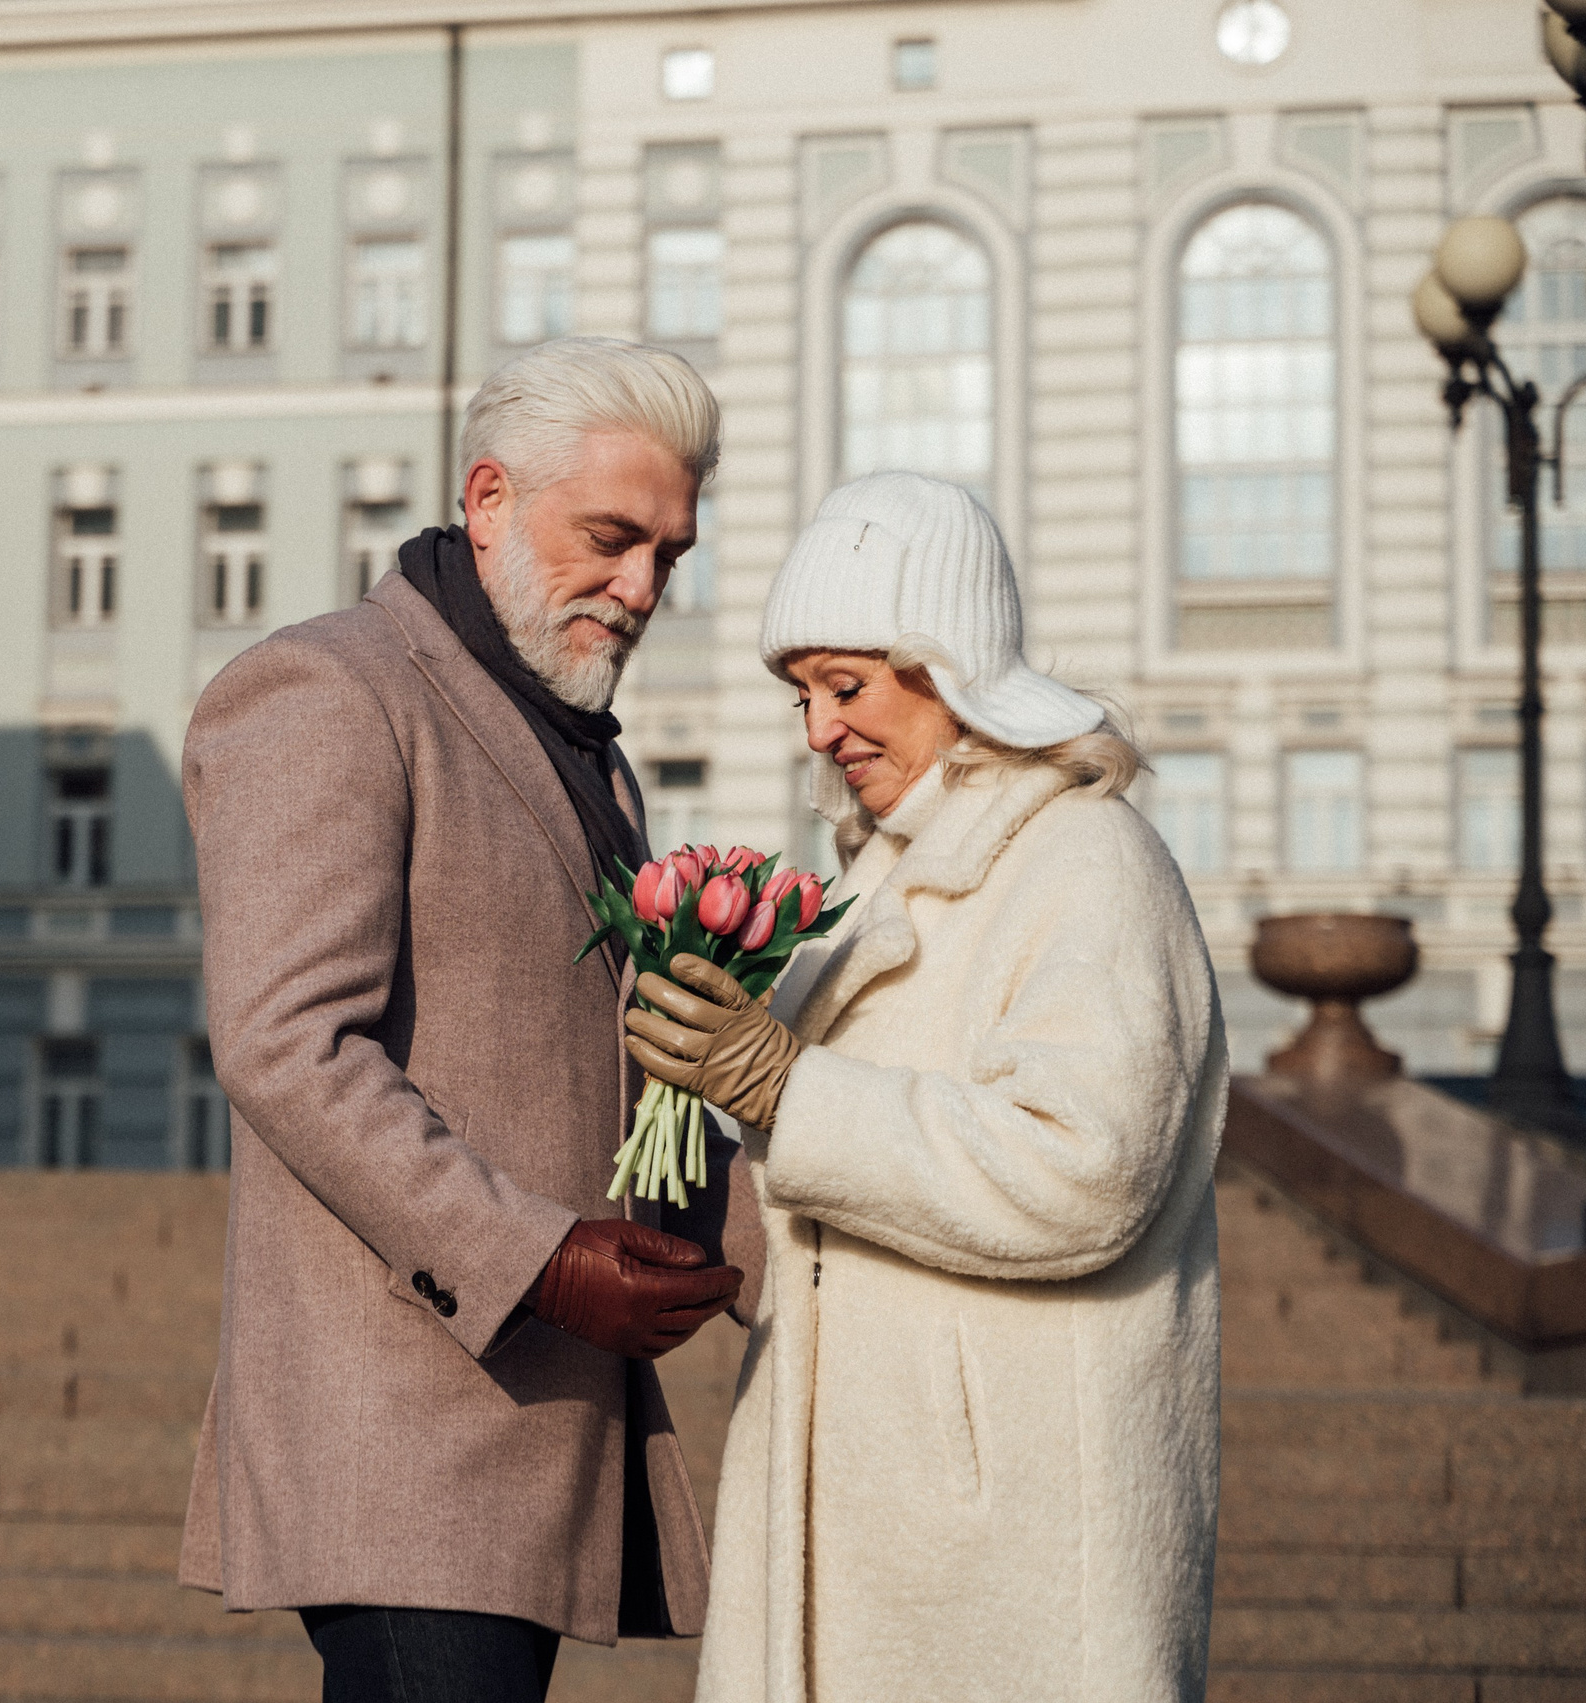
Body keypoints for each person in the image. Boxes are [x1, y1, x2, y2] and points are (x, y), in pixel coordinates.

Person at [178, 337, 760, 1702]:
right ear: (488, 498)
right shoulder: (328, 688)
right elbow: (287, 1043)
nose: (643, 587)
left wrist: (845, 1233)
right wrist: (541, 1258)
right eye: (613, 538)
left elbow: (625, 1087)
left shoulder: (586, 756)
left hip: (530, 1429)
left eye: (669, 555)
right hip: (401, 1431)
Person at [624, 471, 1225, 1703]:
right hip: (874, 1523)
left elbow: (1083, 1168)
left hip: (1001, 1550)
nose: (817, 731)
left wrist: (788, 1086)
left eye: (846, 686)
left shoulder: (1083, 858)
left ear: (951, 668)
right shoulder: (880, 882)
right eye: (801, 696)